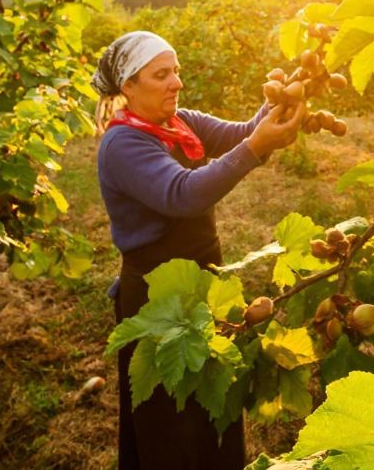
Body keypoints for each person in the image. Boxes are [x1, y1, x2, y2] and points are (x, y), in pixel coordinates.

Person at [92, 30, 304, 470]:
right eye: (162, 74)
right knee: (170, 418)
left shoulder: (180, 121)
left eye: (177, 71)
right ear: (128, 86)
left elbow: (242, 134)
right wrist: (257, 146)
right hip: (156, 295)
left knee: (213, 402)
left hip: (204, 280)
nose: (177, 83)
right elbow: (183, 193)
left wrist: (276, 105)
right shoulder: (124, 144)